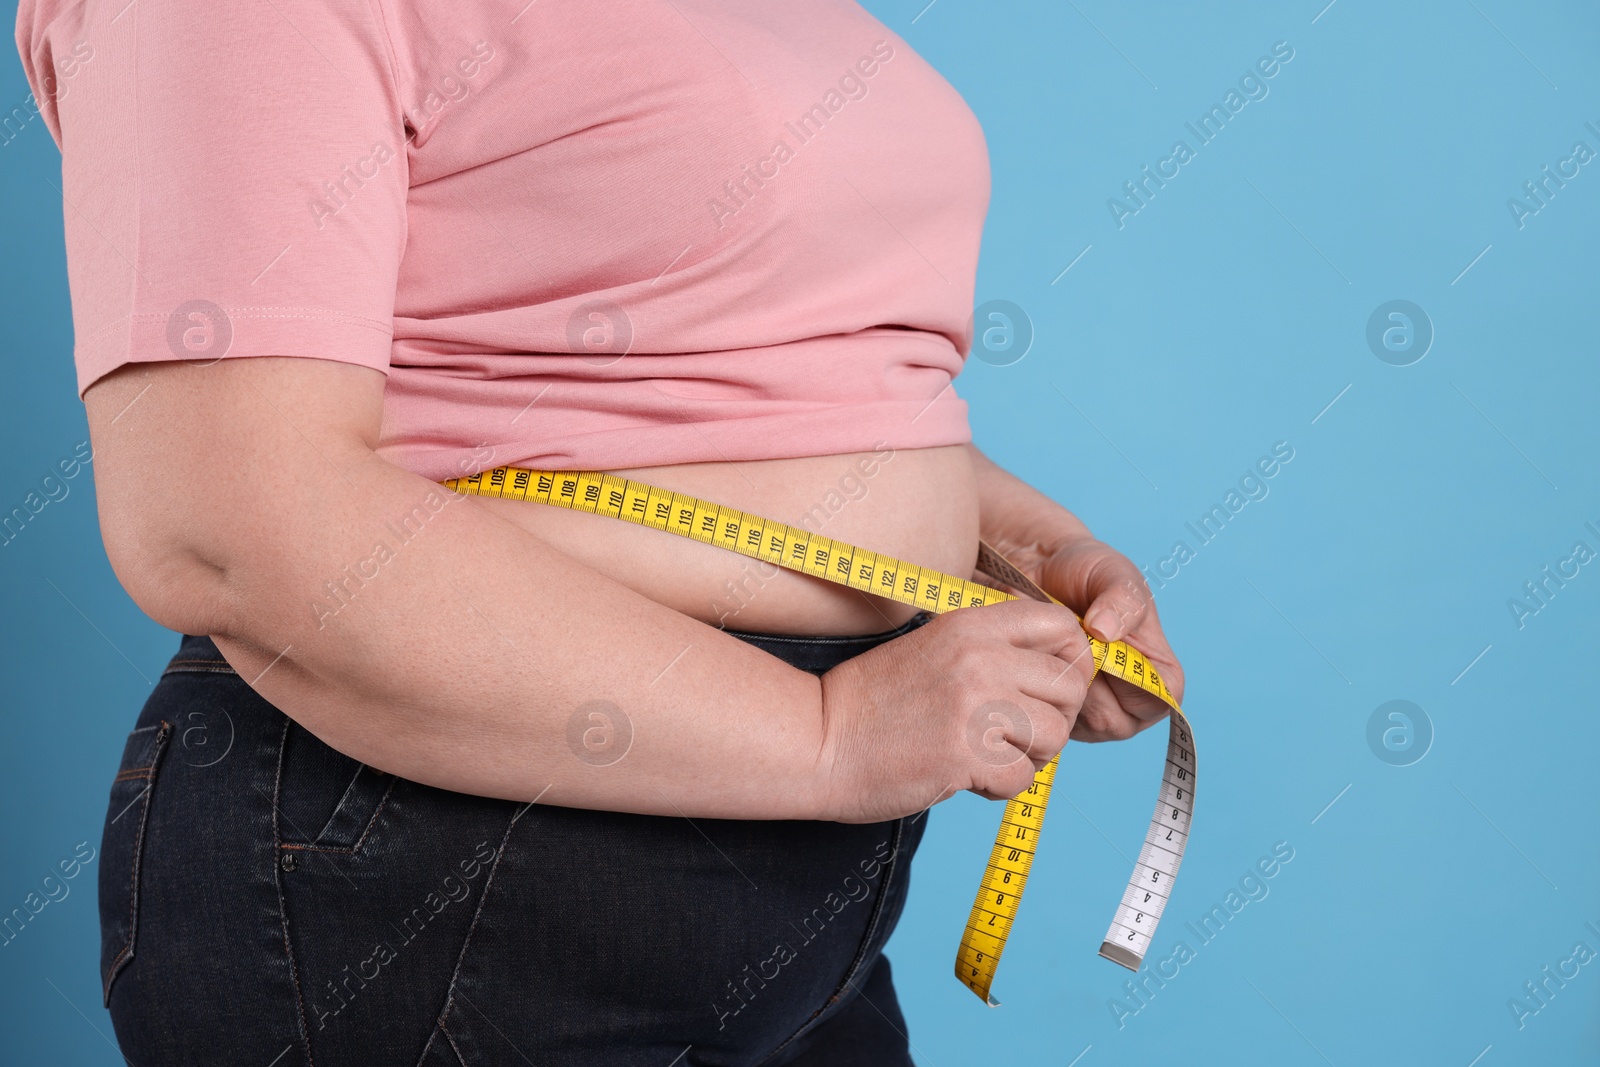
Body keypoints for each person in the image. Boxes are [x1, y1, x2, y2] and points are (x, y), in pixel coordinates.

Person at [16, 1, 1183, 1063]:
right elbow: (225, 519)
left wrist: (1009, 545)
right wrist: (828, 734)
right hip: (444, 868)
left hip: (806, 891)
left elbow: (737, 378)